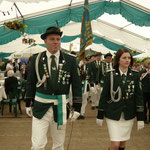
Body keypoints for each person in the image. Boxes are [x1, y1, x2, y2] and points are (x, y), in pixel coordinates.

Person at [25, 26, 82, 150]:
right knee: (37, 145)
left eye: (58, 39)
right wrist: (28, 102)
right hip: (40, 107)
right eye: (52, 39)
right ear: (45, 41)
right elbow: (31, 82)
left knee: (58, 144)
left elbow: (77, 84)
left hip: (61, 107)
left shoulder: (71, 60)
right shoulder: (37, 59)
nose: (56, 42)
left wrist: (77, 107)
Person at [96, 49, 144, 150]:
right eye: (124, 58)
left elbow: (139, 96)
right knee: (115, 144)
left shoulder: (135, 76)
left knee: (122, 143)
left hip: (128, 114)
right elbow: (104, 96)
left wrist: (140, 117)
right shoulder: (110, 75)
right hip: (113, 113)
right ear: (118, 60)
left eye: (129, 58)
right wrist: (100, 114)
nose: (127, 60)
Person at [139, 59, 150, 124]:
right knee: (144, 106)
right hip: (143, 91)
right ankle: (144, 118)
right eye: (149, 64)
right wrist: (141, 76)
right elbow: (139, 80)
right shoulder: (142, 71)